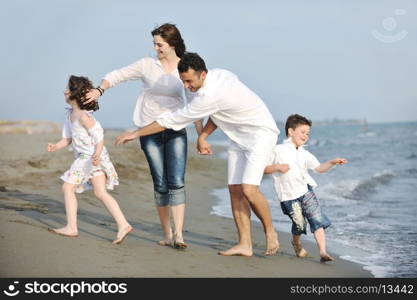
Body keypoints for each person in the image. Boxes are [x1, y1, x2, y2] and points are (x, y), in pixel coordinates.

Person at [115, 52, 280, 257]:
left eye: (189, 81)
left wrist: (136, 133)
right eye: (183, 81)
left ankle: (270, 231)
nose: (186, 86)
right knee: (235, 189)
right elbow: (219, 112)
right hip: (238, 138)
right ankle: (245, 244)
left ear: (203, 74)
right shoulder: (220, 74)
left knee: (248, 189)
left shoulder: (209, 95)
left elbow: (172, 120)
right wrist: (203, 136)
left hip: (261, 134)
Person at [84, 24, 201, 249]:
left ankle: (179, 236)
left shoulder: (184, 67)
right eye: (154, 43)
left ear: (172, 45)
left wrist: (202, 134)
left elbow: (196, 101)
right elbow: (117, 75)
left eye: (160, 44)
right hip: (149, 131)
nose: (155, 48)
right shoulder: (147, 65)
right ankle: (167, 235)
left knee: (176, 181)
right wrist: (100, 90)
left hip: (176, 130)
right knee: (161, 183)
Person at [47, 75, 132, 244]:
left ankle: (71, 227)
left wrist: (97, 154)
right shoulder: (70, 115)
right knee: (100, 192)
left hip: (89, 158)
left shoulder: (84, 116)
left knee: (67, 187)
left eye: (68, 89)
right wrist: (56, 146)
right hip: (91, 159)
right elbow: (68, 139)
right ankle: (123, 224)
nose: (64, 91)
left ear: (75, 94)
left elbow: (99, 136)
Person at [264, 114, 347, 262]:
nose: (306, 136)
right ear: (290, 132)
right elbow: (263, 168)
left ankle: (322, 251)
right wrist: (277, 166)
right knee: (299, 224)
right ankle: (296, 242)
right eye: (302, 132)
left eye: (307, 133)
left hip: (305, 191)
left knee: (316, 218)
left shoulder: (304, 153)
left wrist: (332, 162)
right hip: (288, 196)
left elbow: (319, 168)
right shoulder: (277, 150)